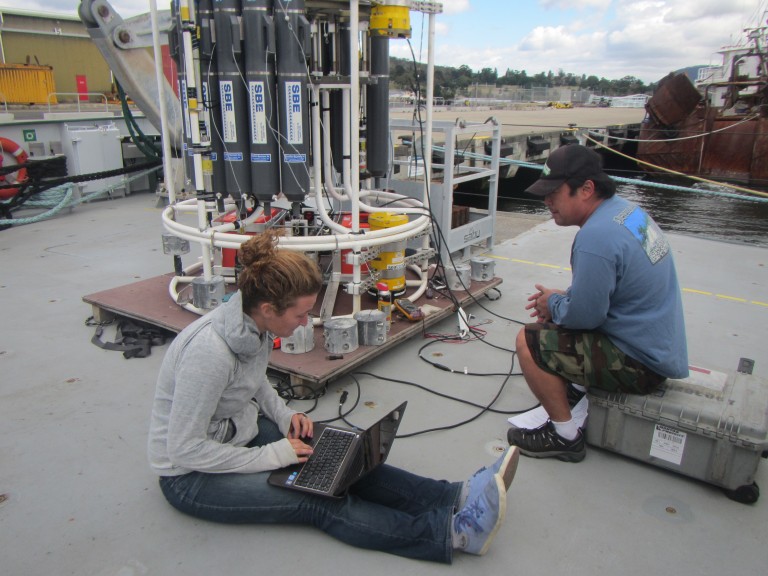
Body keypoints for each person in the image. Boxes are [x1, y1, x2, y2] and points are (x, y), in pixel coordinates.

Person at [148, 230, 519, 563]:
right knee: (316, 499)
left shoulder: (250, 328)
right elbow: (184, 449)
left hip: (235, 434)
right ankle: (451, 533)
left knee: (340, 456)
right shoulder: (209, 354)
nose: (306, 323)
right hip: (191, 477)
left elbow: (254, 380)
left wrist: (282, 415)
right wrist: (272, 454)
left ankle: (451, 496)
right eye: (301, 314)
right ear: (267, 309)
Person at [507, 144, 688, 462]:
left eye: (554, 192)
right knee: (557, 312)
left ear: (587, 188)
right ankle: (576, 389)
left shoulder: (595, 238)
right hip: (659, 344)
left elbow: (585, 318)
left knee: (528, 340)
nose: (546, 201)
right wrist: (561, 301)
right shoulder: (628, 212)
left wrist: (555, 304)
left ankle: (563, 436)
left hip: (640, 363)